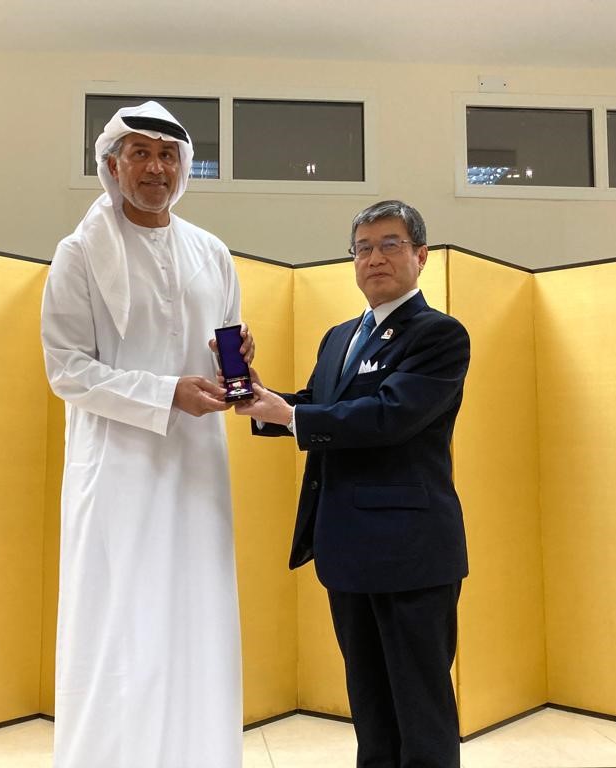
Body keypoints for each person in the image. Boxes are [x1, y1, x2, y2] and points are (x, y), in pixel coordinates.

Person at [41, 101, 252, 768]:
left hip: (196, 467)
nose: (156, 166)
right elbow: (67, 370)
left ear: (183, 169)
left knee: (196, 615)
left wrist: (236, 366)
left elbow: (227, 349)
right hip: (118, 471)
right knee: (120, 622)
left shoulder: (211, 252)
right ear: (111, 166)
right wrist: (166, 393)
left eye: (168, 154)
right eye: (140, 152)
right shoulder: (79, 255)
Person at [236, 199, 470, 768]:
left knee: (421, 707)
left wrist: (294, 418)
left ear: (421, 256)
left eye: (390, 244)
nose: (375, 258)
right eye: (363, 248)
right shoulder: (340, 336)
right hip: (346, 550)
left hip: (412, 553)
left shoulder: (439, 334)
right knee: (369, 704)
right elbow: (317, 407)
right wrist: (261, 400)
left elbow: (389, 415)